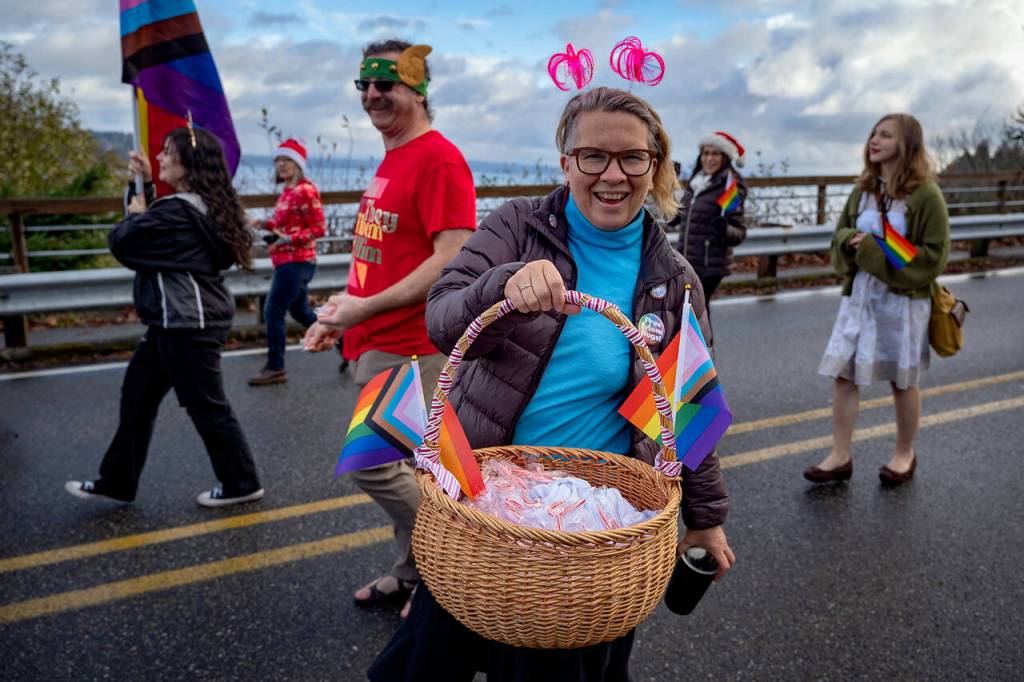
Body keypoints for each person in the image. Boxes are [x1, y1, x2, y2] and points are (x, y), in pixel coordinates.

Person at [367, 87, 735, 682]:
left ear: (655, 164)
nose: (612, 175)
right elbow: (442, 320)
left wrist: (706, 515)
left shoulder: (673, 280)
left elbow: (686, 408)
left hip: (588, 537)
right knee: (420, 668)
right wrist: (502, 287)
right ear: (565, 162)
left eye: (632, 158)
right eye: (593, 156)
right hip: (483, 509)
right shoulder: (517, 226)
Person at [303, 40, 476, 616]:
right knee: (410, 467)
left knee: (376, 465)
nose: (374, 95)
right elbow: (384, 255)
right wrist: (343, 314)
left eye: (387, 85)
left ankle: (452, 558)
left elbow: (450, 258)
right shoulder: (393, 155)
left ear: (418, 89)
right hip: (378, 335)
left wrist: (365, 309)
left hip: (413, 342)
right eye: (365, 86)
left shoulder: (438, 159)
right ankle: (413, 571)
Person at [65, 127, 264, 507]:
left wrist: (137, 209)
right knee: (137, 397)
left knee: (206, 405)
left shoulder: (177, 212)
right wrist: (139, 187)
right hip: (177, 322)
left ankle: (241, 483)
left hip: (187, 323)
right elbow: (155, 233)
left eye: (167, 153)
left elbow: (126, 242)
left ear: (188, 163)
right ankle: (117, 481)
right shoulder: (201, 205)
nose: (159, 158)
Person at [806, 113, 950, 486]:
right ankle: (840, 456)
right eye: (874, 133)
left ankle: (905, 453)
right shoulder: (863, 190)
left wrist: (872, 248)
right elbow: (839, 234)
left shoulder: (925, 195)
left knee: (902, 381)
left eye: (886, 135)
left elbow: (933, 256)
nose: (875, 140)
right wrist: (851, 241)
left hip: (903, 302)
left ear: (907, 144)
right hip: (860, 298)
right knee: (843, 375)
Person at [248, 138, 326, 386]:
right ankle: (346, 345)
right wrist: (263, 224)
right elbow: (284, 225)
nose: (281, 165)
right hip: (285, 260)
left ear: (298, 164)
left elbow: (319, 228)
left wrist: (288, 239)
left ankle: (275, 367)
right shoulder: (287, 191)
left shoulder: (305, 190)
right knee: (300, 311)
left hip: (297, 261)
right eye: (278, 160)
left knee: (273, 311)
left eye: (286, 160)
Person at [668, 131, 748, 307]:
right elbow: (679, 215)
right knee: (693, 314)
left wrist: (724, 229)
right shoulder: (697, 183)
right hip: (687, 261)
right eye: (706, 153)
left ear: (725, 158)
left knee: (695, 313)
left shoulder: (729, 188)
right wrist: (669, 186)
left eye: (715, 154)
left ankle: (706, 337)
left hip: (709, 266)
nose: (709, 159)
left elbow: (739, 232)